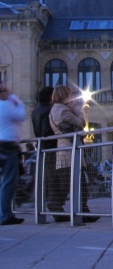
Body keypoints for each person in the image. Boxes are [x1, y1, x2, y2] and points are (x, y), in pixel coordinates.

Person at [48, 85, 99, 222]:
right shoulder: (63, 111)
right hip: (69, 149)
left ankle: (78, 209)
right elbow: (81, 122)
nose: (72, 97)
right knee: (74, 181)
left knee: (71, 181)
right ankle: (73, 209)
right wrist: (76, 109)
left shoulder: (56, 109)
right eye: (70, 94)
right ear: (64, 95)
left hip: (67, 148)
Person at [0, 82, 26, 225]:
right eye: (5, 90)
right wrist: (17, 100)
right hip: (7, 146)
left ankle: (5, 213)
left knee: (5, 182)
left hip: (4, 145)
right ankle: (5, 215)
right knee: (9, 182)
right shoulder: (5, 105)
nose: (8, 93)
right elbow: (21, 115)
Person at [31, 86, 57, 214]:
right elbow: (47, 130)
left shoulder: (36, 109)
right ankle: (56, 206)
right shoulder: (48, 110)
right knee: (53, 178)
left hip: (42, 146)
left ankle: (50, 205)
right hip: (50, 147)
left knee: (47, 177)